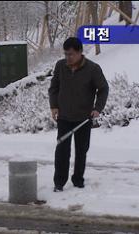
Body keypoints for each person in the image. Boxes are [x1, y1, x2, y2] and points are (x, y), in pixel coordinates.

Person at [48, 37, 109, 192]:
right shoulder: (60, 66)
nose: (68, 58)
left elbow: (103, 89)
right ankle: (59, 182)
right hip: (64, 117)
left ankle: (78, 180)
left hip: (84, 118)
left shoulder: (93, 69)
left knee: (81, 151)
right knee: (62, 151)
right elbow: (53, 87)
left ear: (80, 53)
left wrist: (98, 108)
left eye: (71, 54)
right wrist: (54, 106)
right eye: (66, 54)